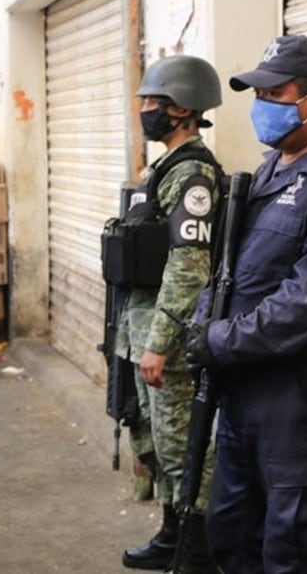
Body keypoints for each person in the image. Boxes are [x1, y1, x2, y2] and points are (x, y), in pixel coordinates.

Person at [186, 34, 307, 573]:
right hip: (240, 392)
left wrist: (218, 340)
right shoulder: (266, 172)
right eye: (258, 94)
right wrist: (203, 321)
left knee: (293, 553)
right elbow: (226, 273)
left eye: (274, 93)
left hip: (296, 400)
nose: (261, 106)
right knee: (232, 534)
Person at [116, 54, 224, 574]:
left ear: (183, 109)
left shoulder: (194, 174)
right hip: (141, 329)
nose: (144, 111)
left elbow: (188, 266)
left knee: (185, 449)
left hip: (170, 338)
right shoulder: (159, 169)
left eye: (153, 103)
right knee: (156, 441)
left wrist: (159, 342)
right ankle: (171, 534)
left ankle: (197, 552)